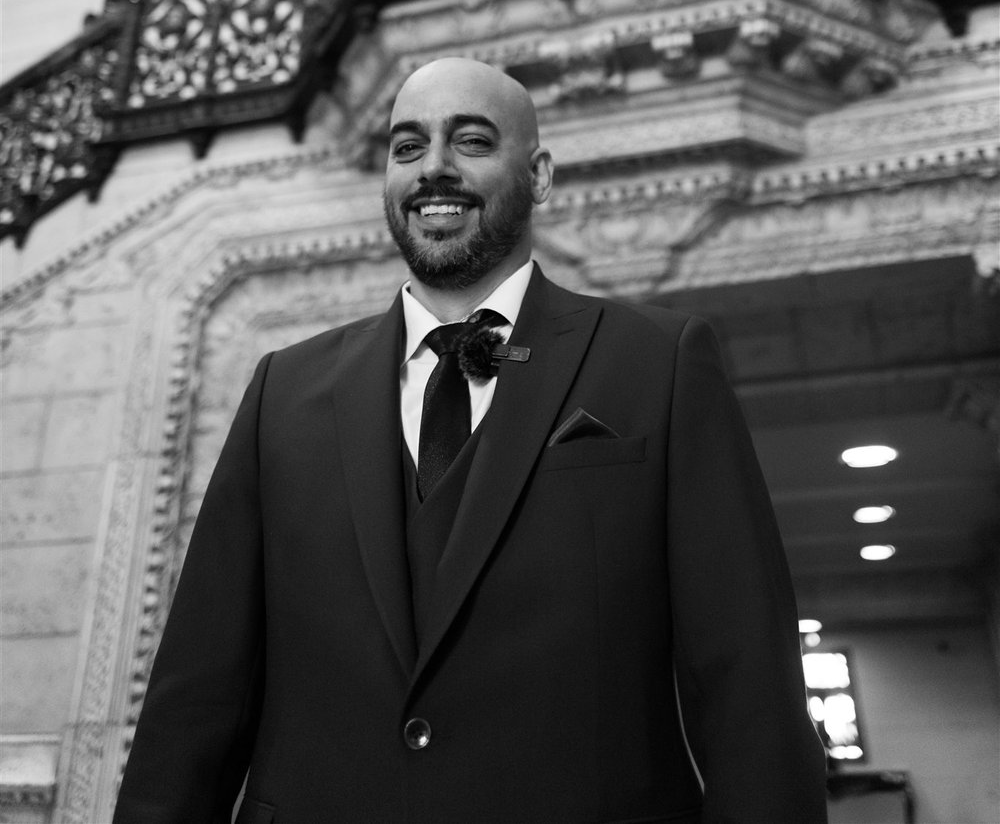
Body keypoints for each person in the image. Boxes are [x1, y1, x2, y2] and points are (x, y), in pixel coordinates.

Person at [113, 57, 829, 824]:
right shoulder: (281, 391)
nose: (435, 170)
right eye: (408, 147)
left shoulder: (660, 362)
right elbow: (196, 698)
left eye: (473, 142)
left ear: (540, 174)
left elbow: (747, 678)